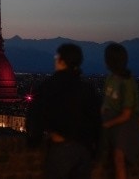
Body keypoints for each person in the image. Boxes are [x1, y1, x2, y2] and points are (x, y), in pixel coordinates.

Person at [26, 43, 102, 179]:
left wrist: (34, 140)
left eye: (56, 58)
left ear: (61, 61)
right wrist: (96, 151)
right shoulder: (87, 89)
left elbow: (35, 117)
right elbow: (97, 122)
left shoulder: (48, 87)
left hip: (60, 149)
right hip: (84, 150)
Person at [101, 42, 139, 179]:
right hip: (113, 121)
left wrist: (106, 124)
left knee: (119, 159)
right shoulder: (110, 78)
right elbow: (106, 104)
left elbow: (127, 114)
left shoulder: (127, 82)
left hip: (125, 124)